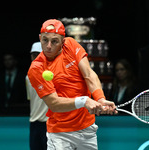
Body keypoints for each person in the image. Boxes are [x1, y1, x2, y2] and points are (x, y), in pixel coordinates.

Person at [28, 19, 117, 150]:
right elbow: (54, 104)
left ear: (63, 42)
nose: (48, 46)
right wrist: (84, 101)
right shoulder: (36, 69)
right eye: (45, 40)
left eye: (54, 41)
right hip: (59, 134)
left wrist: (100, 98)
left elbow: (89, 74)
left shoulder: (70, 44)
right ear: (40, 38)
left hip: (86, 129)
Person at [26, 42, 48, 150]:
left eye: (38, 54)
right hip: (34, 123)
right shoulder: (28, 77)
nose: (35, 58)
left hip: (50, 123)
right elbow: (31, 99)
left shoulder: (54, 74)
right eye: (33, 55)